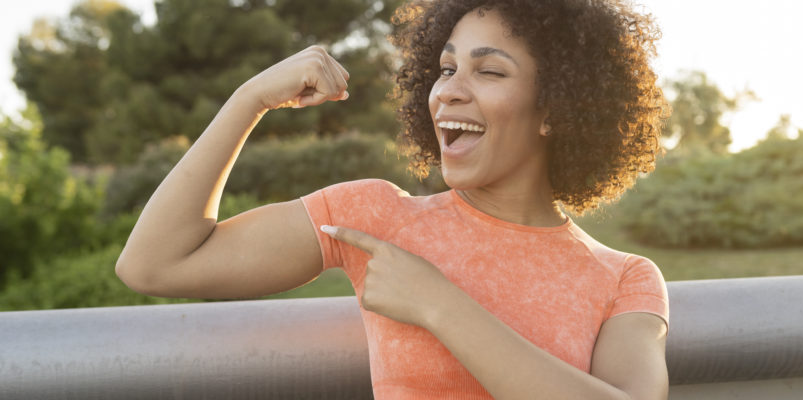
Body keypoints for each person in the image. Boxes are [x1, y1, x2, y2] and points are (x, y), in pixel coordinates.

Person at [117, 0, 670, 398]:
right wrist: (250, 99)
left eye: (490, 70)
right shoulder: (378, 218)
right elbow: (155, 264)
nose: (449, 88)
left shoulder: (626, 278)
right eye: (447, 67)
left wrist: (438, 303)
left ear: (556, 109)